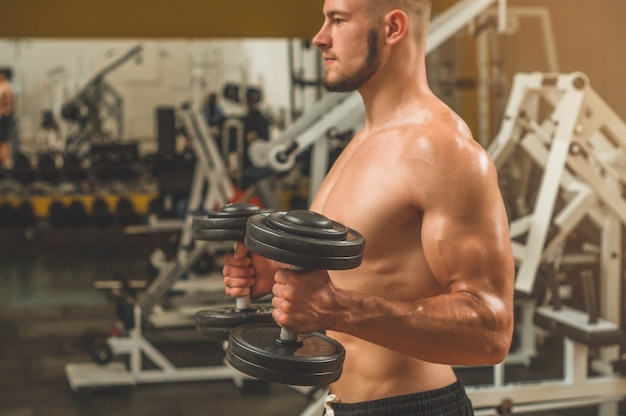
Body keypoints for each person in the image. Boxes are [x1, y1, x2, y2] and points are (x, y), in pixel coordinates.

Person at [223, 0, 515, 414]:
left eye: (338, 20)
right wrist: (272, 276)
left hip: (413, 407)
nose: (319, 37)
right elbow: (369, 274)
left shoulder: (440, 149)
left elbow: (491, 330)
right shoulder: (363, 142)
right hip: (340, 404)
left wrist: (337, 308)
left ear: (394, 27)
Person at [0, 68, 15, 169]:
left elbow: (8, 102)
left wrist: (4, 109)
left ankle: (5, 160)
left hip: (4, 115)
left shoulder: (6, 87)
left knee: (3, 139)